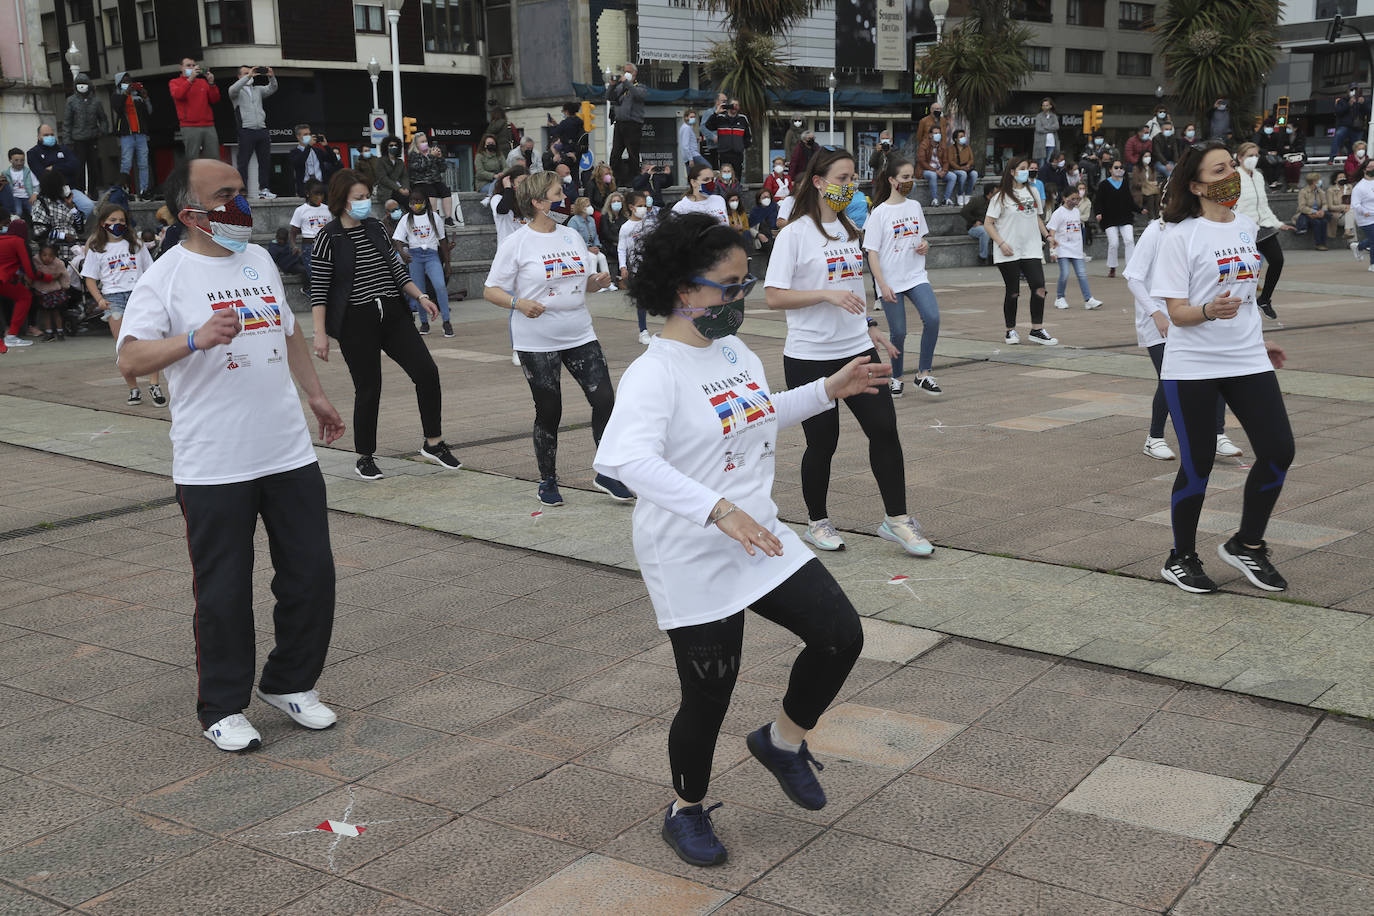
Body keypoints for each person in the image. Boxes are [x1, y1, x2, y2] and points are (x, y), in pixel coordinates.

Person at [591, 212, 876, 869]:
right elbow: (623, 459)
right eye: (728, 286)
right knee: (709, 696)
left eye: (744, 284)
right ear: (683, 291)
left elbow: (756, 411)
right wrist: (715, 509)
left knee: (841, 635)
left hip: (759, 534)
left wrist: (826, 390)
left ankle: (782, 741)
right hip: (691, 552)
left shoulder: (734, 353)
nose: (740, 298)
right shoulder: (654, 373)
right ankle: (684, 810)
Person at [116, 158, 346, 751]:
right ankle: (223, 706)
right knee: (223, 590)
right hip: (215, 462)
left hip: (287, 451)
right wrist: (193, 339)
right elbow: (130, 360)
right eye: (226, 196)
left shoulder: (260, 259)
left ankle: (289, 682)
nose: (240, 205)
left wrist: (315, 396)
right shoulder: (167, 275)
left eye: (241, 193)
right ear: (191, 211)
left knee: (312, 576)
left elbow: (288, 331)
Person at [763, 146, 932, 557]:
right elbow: (773, 296)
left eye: (852, 178)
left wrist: (871, 328)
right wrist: (824, 295)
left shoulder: (849, 232)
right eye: (841, 179)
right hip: (809, 356)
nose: (848, 186)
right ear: (818, 182)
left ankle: (896, 521)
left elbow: (855, 291)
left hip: (857, 350)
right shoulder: (794, 235)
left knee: (884, 431)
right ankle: (817, 521)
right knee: (823, 442)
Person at [1148, 141, 1294, 595]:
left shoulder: (1246, 226)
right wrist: (1209, 311)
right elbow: (1177, 313)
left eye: (1232, 165)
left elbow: (1245, 294)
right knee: (1198, 463)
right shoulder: (1179, 237)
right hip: (1192, 364)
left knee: (1278, 450)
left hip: (1246, 357)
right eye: (1220, 170)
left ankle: (1247, 544)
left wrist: (1256, 337)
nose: (1232, 173)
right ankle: (1181, 558)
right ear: (1196, 185)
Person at [481, 171, 634, 506]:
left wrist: (596, 281)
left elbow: (581, 283)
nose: (563, 199)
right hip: (537, 341)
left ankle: (607, 472)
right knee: (550, 411)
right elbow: (490, 290)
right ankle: (547, 479)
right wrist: (518, 303)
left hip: (580, 332)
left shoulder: (570, 236)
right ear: (538, 202)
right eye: (556, 194)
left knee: (605, 400)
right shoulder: (517, 243)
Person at [310, 169, 460, 480]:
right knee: (369, 387)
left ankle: (433, 442)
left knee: (426, 372)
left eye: (367, 197)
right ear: (342, 201)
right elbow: (319, 290)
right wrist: (320, 334)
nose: (365, 203)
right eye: (359, 198)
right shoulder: (328, 237)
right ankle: (365, 455)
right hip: (355, 320)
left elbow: (395, 267)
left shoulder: (376, 227)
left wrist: (420, 297)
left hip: (392, 312)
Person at [1125, 218, 1240, 463]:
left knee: (1216, 371)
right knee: (1170, 378)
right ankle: (1154, 438)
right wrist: (1155, 314)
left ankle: (1217, 434)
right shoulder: (1156, 230)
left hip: (1191, 315)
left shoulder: (1197, 229)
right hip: (1158, 319)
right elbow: (1134, 278)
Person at [865, 157, 942, 398]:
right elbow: (872, 253)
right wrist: (882, 285)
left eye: (912, 177)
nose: (910, 182)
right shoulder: (879, 213)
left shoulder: (915, 207)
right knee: (898, 332)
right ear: (891, 180)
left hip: (916, 275)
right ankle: (896, 378)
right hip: (891, 281)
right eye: (905, 178)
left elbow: (922, 238)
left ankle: (923, 374)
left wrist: (924, 245)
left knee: (933, 318)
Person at [81, 203, 163, 404]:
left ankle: (154, 385)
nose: (117, 224)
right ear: (103, 223)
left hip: (138, 296)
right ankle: (133, 388)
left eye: (121, 220)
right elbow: (89, 278)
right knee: (124, 346)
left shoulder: (135, 242)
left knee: (149, 341)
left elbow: (150, 270)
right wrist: (99, 299)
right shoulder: (96, 248)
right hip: (114, 299)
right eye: (112, 220)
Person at [985, 158, 1057, 345]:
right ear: (1012, 172)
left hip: (1031, 249)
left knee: (1039, 287)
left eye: (1028, 169)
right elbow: (988, 223)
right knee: (1013, 291)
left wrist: (1048, 237)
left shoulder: (1032, 191)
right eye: (1022, 169)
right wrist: (1001, 243)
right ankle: (1010, 330)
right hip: (1008, 250)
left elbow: (1037, 218)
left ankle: (1037, 329)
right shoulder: (1000, 197)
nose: (1027, 172)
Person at [1235, 141, 1294, 320]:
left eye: (1256, 155)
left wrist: (1277, 223)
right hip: (1243, 230)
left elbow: (1264, 205)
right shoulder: (1234, 177)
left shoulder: (1259, 176)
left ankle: (1265, 299)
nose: (1254, 159)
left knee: (1277, 260)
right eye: (1249, 156)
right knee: (1246, 271)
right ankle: (1242, 304)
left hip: (1264, 226)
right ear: (1239, 158)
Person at [393, 188, 454, 336]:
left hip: (431, 255)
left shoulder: (434, 217)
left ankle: (446, 321)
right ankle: (424, 323)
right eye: (412, 202)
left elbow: (443, 241)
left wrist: (448, 264)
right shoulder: (406, 218)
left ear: (425, 202)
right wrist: (402, 253)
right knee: (419, 291)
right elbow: (397, 240)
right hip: (415, 255)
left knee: (440, 286)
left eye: (419, 201)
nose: (416, 205)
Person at [1047, 188, 1102, 312]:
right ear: (1064, 198)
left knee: (1082, 274)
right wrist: (1052, 249)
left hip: (1076, 249)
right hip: (1062, 249)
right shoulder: (1059, 213)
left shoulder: (1076, 212)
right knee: (1065, 273)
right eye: (1072, 199)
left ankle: (1088, 300)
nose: (1075, 201)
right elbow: (1052, 231)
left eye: (1077, 199)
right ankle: (1060, 298)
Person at [229, 64, 278, 199]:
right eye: (245, 73)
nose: (250, 75)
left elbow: (272, 88)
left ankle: (264, 189)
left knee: (265, 161)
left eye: (250, 72)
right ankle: (241, 191)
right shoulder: (236, 92)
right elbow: (232, 89)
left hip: (261, 129)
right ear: (239, 76)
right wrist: (248, 77)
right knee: (243, 162)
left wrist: (271, 76)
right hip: (246, 130)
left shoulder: (257, 89)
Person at [28, 124, 93, 216]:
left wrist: (54, 168)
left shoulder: (64, 149)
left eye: (51, 134)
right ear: (39, 137)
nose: (50, 137)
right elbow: (42, 174)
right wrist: (64, 168)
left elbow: (75, 165)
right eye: (46, 135)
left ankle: (78, 227)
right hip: (50, 192)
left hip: (69, 189)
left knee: (89, 206)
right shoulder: (33, 153)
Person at [1095, 159, 1142, 278]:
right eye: (1116, 167)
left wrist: (1140, 209)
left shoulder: (1125, 183)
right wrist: (1098, 213)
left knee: (1129, 240)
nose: (1119, 170)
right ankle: (1112, 267)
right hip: (1109, 219)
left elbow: (1129, 201)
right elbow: (1098, 201)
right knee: (1114, 243)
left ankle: (1130, 267)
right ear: (1110, 169)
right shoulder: (1104, 184)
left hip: (1125, 217)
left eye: (1121, 167)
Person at [62, 72, 108, 193]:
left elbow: (103, 119)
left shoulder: (96, 101)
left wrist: (102, 131)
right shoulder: (71, 101)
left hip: (92, 138)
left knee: (94, 166)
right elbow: (67, 122)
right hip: (77, 140)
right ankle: (79, 191)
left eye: (84, 84)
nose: (82, 86)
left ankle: (93, 191)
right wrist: (68, 141)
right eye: (79, 84)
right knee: (79, 167)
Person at [111, 73, 154, 199]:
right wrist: (125, 94)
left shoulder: (138, 98)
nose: (128, 83)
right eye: (125, 81)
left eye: (129, 81)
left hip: (140, 135)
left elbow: (149, 112)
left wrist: (145, 97)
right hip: (126, 135)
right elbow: (118, 108)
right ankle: (125, 191)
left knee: (143, 163)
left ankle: (144, 191)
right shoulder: (116, 96)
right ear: (119, 83)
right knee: (126, 163)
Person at [170, 58, 221, 161]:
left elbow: (215, 99)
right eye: (188, 65)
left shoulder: (202, 82)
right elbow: (178, 95)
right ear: (181, 68)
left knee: (214, 158)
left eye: (194, 65)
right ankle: (193, 177)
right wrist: (190, 79)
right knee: (192, 159)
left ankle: (212, 177)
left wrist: (211, 83)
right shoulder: (174, 82)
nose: (192, 68)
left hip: (208, 125)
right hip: (189, 126)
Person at [618, 189, 653, 344]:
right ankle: (643, 330)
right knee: (642, 299)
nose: (643, 208)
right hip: (636, 268)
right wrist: (623, 266)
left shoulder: (650, 222)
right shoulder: (626, 227)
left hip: (652, 265)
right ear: (631, 207)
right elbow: (621, 248)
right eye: (640, 205)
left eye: (645, 205)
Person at [608, 63, 649, 185]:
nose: (625, 73)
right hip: (619, 123)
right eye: (625, 71)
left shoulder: (640, 87)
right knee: (615, 154)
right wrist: (612, 86)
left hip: (633, 124)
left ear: (634, 73)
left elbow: (638, 95)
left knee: (633, 154)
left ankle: (634, 180)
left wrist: (627, 82)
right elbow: (610, 97)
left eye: (628, 71)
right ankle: (616, 179)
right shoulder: (621, 87)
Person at [30, 170, 83, 263]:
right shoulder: (41, 204)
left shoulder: (64, 202)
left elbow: (80, 227)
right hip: (56, 252)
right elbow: (39, 232)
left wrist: (72, 207)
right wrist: (63, 236)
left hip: (74, 249)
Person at [289, 181, 331, 298]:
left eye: (321, 194)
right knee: (314, 273)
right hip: (309, 247)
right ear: (308, 194)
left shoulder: (327, 209)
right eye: (315, 194)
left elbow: (331, 229)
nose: (319, 197)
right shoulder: (301, 210)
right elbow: (293, 233)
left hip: (325, 245)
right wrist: (294, 246)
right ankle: (312, 292)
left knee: (325, 274)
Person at [0, 213, 34, 352]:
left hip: (7, 280)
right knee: (24, 296)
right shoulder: (19, 242)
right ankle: (12, 335)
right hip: (6, 280)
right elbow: (28, 268)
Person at [567, 195, 614, 282]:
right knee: (592, 257)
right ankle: (594, 281)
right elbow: (573, 239)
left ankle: (607, 281)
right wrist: (588, 248)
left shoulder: (591, 220)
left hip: (592, 247)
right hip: (580, 249)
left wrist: (597, 246)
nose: (590, 207)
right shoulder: (574, 221)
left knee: (602, 257)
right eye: (587, 206)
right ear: (581, 208)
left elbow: (595, 235)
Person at [705, 96, 752, 181]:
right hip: (724, 153)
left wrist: (741, 146)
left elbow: (748, 136)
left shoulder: (743, 119)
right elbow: (708, 126)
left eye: (736, 105)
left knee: (737, 177)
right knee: (724, 177)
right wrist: (716, 113)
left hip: (737, 154)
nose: (734, 107)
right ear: (728, 105)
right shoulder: (720, 118)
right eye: (732, 105)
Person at [30, 243, 69, 342]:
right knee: (46, 313)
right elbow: (32, 275)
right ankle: (49, 332)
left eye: (51, 256)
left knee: (56, 312)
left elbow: (65, 275)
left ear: (55, 256)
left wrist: (65, 287)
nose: (47, 258)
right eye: (44, 255)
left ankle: (60, 331)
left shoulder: (58, 264)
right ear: (39, 255)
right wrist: (32, 286)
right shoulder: (36, 263)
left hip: (54, 291)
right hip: (41, 292)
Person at [289, 124, 341, 198]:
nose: (309, 136)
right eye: (305, 134)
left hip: (321, 185)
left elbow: (333, 160)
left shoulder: (317, 151)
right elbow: (299, 162)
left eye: (309, 134)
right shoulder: (294, 152)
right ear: (298, 136)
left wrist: (326, 146)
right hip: (306, 187)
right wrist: (308, 146)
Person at [1330, 83, 1370, 164]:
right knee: (1338, 136)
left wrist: (1363, 103)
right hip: (1345, 125)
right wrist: (1348, 104)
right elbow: (1338, 112)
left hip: (1357, 127)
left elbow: (1369, 111)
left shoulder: (1363, 100)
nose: (1354, 92)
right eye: (1352, 90)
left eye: (1356, 89)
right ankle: (1332, 157)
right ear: (1348, 91)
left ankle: (1353, 162)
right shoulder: (1342, 100)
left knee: (1355, 146)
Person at [916, 127, 955, 207]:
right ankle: (935, 199)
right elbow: (922, 161)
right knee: (932, 175)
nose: (938, 135)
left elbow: (945, 161)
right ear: (930, 135)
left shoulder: (942, 145)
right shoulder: (924, 144)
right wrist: (935, 171)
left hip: (940, 170)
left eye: (939, 133)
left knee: (953, 176)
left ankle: (946, 199)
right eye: (936, 133)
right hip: (926, 170)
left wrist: (944, 170)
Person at [1295, 172, 1331, 250]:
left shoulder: (1320, 191)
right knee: (1317, 222)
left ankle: (1323, 243)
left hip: (1318, 213)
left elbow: (1325, 204)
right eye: (1318, 180)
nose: (1320, 181)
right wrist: (1314, 212)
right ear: (1314, 181)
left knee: (1323, 221)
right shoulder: (1303, 192)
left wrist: (1322, 211)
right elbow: (1302, 207)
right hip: (1306, 214)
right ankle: (1319, 244)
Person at [1349, 159, 1374, 271]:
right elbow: (1355, 204)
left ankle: (1358, 246)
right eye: (1371, 167)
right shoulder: (1359, 187)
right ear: (1364, 169)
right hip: (1366, 218)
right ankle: (1372, 265)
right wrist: (1364, 212)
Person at [961, 184, 995, 264]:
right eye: (996, 192)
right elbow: (963, 212)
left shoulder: (996, 202)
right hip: (975, 227)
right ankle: (982, 257)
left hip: (990, 225)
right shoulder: (976, 200)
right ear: (990, 193)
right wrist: (974, 221)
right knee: (985, 232)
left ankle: (994, 256)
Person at [375, 135, 410, 206]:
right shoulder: (380, 161)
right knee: (405, 200)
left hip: (400, 190)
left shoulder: (400, 162)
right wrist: (399, 189)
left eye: (395, 145)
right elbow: (383, 178)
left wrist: (406, 188)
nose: (394, 147)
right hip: (386, 191)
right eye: (391, 145)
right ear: (386, 147)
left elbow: (405, 177)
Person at [3, 148, 37, 219]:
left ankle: (35, 227)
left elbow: (37, 185)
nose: (19, 163)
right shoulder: (5, 174)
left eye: (22, 160)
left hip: (28, 196)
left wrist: (35, 194)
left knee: (34, 212)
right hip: (15, 197)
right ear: (10, 160)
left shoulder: (28, 172)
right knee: (18, 212)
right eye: (16, 160)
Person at [949, 129, 979, 205]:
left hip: (967, 168)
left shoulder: (967, 147)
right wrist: (960, 168)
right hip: (956, 169)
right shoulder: (951, 148)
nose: (963, 138)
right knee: (963, 174)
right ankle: (960, 194)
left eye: (964, 136)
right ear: (955, 139)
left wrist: (968, 165)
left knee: (974, 174)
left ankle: (968, 194)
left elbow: (971, 159)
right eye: (961, 136)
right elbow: (951, 161)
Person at [1252, 118, 1284, 189]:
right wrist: (1266, 152)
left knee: (1280, 162)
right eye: (1267, 126)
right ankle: (1271, 181)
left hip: (1273, 155)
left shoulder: (1275, 135)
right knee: (1266, 162)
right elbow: (1256, 146)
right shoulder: (1258, 135)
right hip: (1261, 156)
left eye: (1271, 127)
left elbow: (1278, 146)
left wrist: (1276, 152)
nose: (1269, 128)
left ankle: (1275, 180)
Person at [748, 189, 778, 255]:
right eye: (764, 197)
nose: (766, 199)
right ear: (759, 200)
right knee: (771, 247)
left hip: (775, 235)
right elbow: (749, 227)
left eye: (768, 197)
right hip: (762, 237)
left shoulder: (775, 208)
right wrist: (758, 235)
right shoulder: (755, 211)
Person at [1132, 151, 1161, 218]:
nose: (1148, 158)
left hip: (1151, 190)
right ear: (1141, 158)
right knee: (1150, 196)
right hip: (1140, 191)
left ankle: (1158, 216)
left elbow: (1154, 180)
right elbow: (1135, 183)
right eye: (1145, 156)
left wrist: (1154, 183)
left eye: (1149, 156)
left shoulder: (1152, 168)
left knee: (1157, 196)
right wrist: (1146, 184)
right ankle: (1151, 218)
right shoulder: (1136, 168)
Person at [1033, 97, 1060, 168]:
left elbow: (1056, 127)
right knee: (1041, 163)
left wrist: (1045, 126)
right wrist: (1051, 128)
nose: (1045, 107)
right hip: (1041, 143)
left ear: (1050, 106)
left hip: (1052, 143)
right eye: (1043, 105)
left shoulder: (1054, 116)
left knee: (1049, 162)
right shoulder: (1039, 116)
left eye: (1046, 105)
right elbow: (1038, 128)